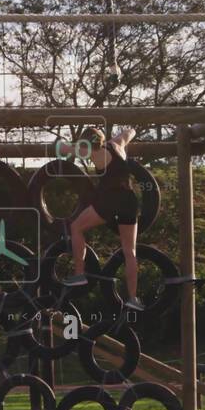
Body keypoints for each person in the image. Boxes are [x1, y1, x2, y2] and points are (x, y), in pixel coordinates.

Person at [64, 127, 144, 314]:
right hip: (129, 200)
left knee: (76, 227)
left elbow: (63, 148)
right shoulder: (117, 144)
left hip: (109, 201)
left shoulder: (89, 151)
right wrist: (125, 133)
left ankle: (79, 273)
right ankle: (133, 298)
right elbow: (129, 132)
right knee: (129, 251)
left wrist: (60, 145)